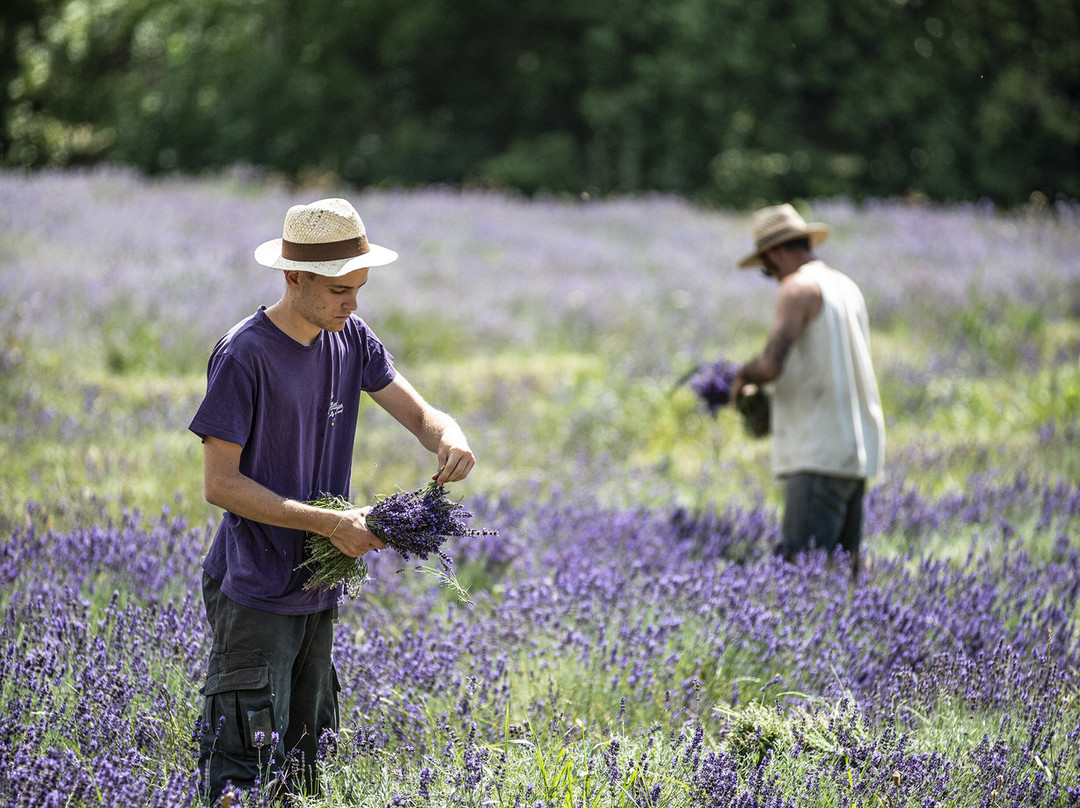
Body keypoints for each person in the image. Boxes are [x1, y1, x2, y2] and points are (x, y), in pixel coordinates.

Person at [188, 197, 476, 801]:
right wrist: (333, 524)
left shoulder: (349, 337)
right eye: (342, 290)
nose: (354, 303)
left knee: (303, 763)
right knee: (241, 762)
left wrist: (448, 434)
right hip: (257, 585)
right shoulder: (245, 356)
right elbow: (220, 485)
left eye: (360, 288)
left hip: (317, 585)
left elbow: (421, 414)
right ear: (295, 278)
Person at [730, 203, 884, 581]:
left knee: (801, 581)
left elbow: (771, 364)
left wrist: (739, 378)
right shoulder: (845, 286)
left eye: (768, 269)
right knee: (845, 578)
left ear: (775, 253)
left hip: (816, 451)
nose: (771, 276)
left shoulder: (797, 287)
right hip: (854, 449)